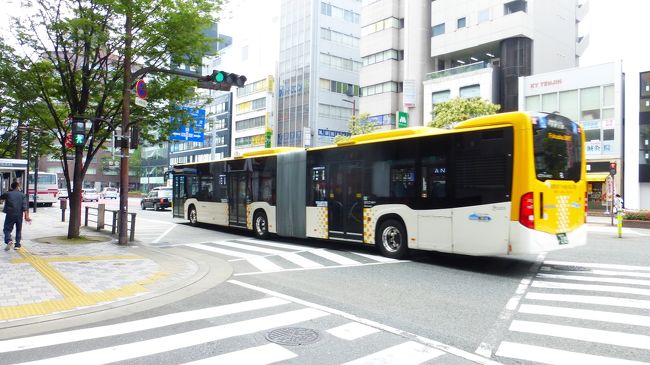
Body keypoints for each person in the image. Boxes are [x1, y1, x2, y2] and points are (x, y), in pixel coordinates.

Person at [1, 181, 31, 251]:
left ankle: (8, 240)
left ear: (11, 187)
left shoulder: (8, 194)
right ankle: (17, 245)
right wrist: (26, 216)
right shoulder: (22, 195)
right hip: (19, 215)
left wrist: (8, 192)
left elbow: (1, 197)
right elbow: (25, 207)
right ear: (17, 186)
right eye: (19, 186)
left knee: (7, 229)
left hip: (10, 214)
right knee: (18, 229)